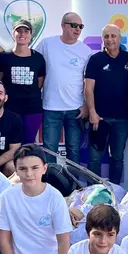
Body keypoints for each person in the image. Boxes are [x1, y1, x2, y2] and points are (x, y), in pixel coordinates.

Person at [39, 12, 93, 165]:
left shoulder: (85, 51)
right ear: (63, 26)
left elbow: (88, 81)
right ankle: (50, 184)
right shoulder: (47, 44)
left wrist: (86, 106)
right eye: (74, 25)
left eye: (80, 26)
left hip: (76, 109)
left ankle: (73, 186)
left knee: (74, 150)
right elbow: (30, 59)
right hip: (51, 107)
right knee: (49, 149)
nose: (77, 29)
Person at [84, 24, 128, 185]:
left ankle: (115, 192)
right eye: (106, 36)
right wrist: (92, 112)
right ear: (102, 39)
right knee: (94, 159)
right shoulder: (95, 59)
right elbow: (88, 88)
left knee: (117, 157)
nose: (110, 39)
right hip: (99, 118)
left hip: (122, 118)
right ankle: (93, 191)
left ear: (119, 39)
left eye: (113, 36)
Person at [0, 19, 46, 145]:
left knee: (27, 144)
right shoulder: (4, 57)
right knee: (10, 144)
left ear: (31, 35)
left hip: (32, 109)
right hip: (10, 108)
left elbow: (39, 83)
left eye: (26, 31)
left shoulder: (38, 58)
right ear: (13, 34)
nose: (22, 34)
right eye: (19, 31)